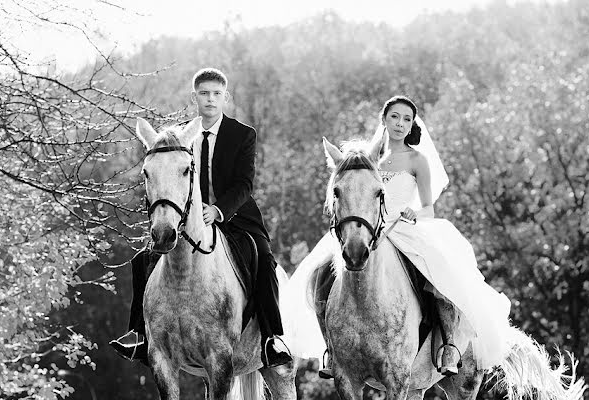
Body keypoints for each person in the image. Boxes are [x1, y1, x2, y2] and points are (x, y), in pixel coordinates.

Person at [289, 95, 511, 378]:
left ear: (412, 125)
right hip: (368, 227)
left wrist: (414, 213)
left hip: (403, 226)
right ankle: (332, 349)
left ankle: (449, 344)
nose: (400, 123)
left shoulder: (417, 160)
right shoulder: (368, 160)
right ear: (384, 119)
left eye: (407, 119)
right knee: (319, 274)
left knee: (439, 274)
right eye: (395, 116)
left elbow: (429, 207)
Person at [110, 67, 293, 368]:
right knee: (143, 259)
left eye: (216, 94)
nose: (210, 99)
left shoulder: (243, 134)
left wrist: (218, 209)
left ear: (225, 97)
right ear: (194, 97)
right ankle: (140, 336)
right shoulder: (178, 136)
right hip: (183, 219)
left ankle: (272, 339)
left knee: (263, 259)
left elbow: (244, 183)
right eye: (204, 93)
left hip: (234, 216)